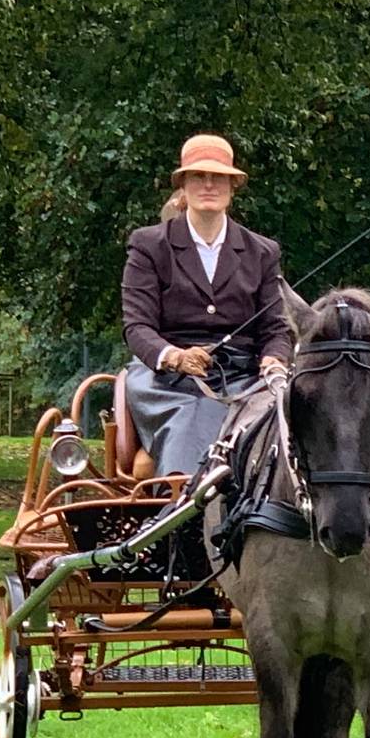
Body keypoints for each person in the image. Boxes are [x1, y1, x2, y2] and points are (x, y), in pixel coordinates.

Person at [117, 134, 295, 479]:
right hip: (166, 382)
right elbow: (137, 327)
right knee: (195, 414)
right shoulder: (149, 245)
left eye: (219, 177)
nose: (209, 184)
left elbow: (276, 327)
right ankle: (180, 511)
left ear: (233, 186)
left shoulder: (262, 251)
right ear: (183, 185)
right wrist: (174, 357)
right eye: (198, 176)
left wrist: (275, 358)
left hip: (247, 380)